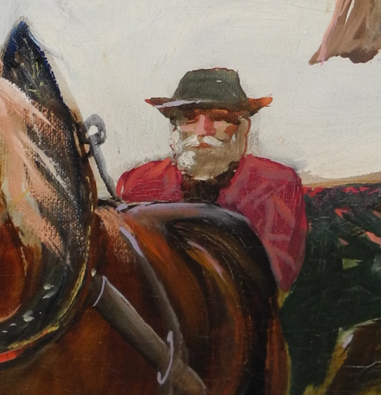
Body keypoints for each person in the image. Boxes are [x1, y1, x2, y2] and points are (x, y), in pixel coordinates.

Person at [116, 68, 307, 292]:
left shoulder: (277, 184)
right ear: (175, 128)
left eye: (218, 118)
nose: (203, 131)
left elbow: (275, 277)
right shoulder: (138, 185)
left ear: (243, 128)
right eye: (190, 118)